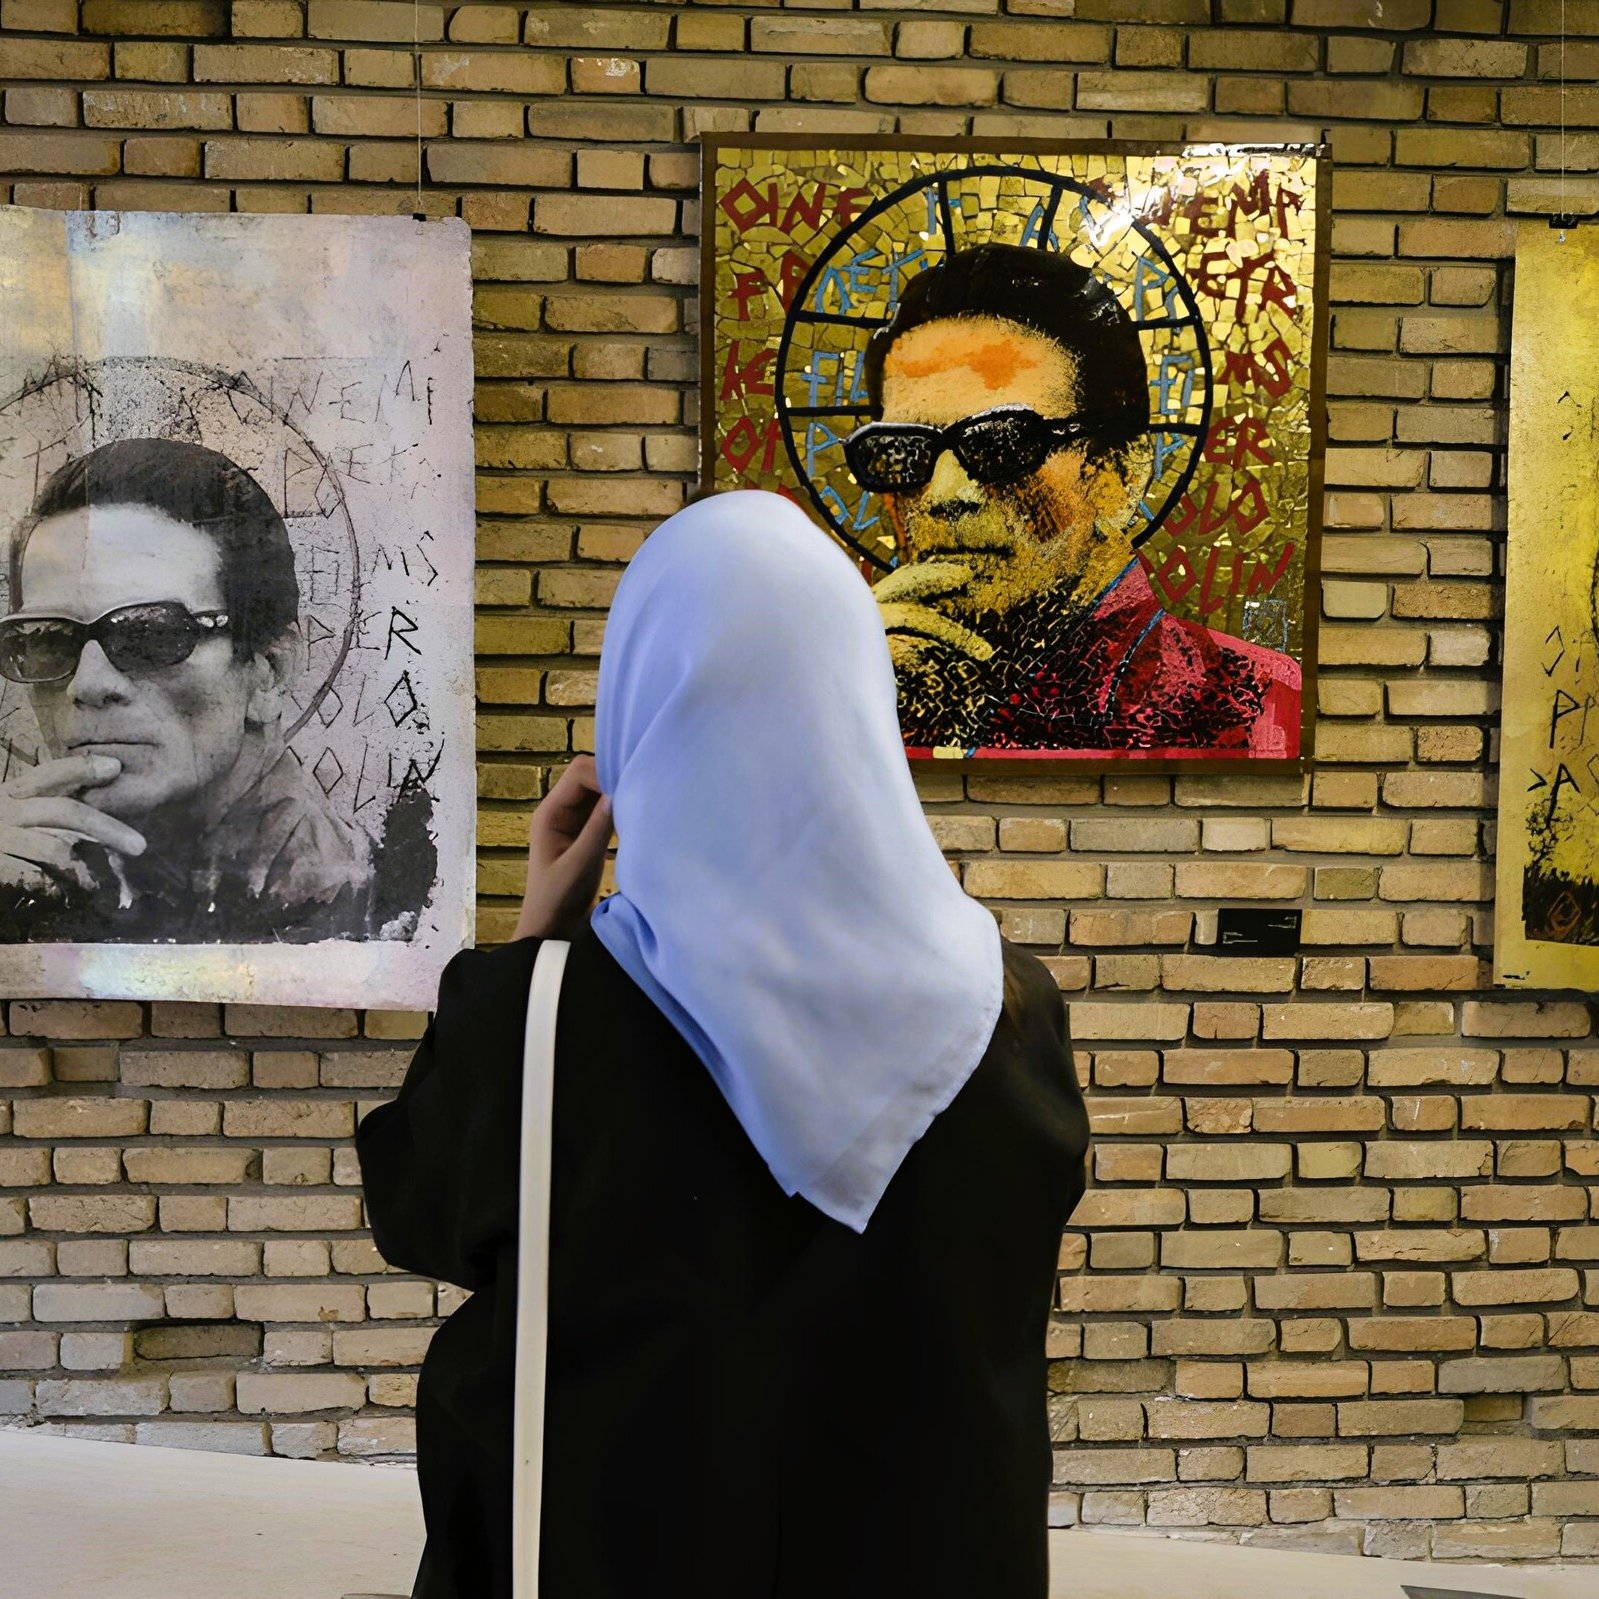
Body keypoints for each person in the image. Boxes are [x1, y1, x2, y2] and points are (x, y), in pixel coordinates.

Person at [355, 489, 1090, 1599]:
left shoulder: (540, 1016)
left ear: (641, 710)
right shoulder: (1010, 1013)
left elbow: (420, 1217)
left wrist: (528, 942)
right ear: (856, 700)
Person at [853, 241, 1300, 755]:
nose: (948, 494)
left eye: (1004, 444)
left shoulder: (1261, 706)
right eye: (905, 451)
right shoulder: (857, 690)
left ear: (1119, 473)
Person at [0, 437, 376, 943]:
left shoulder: (353, 907)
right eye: (46, 640)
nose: (87, 684)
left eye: (150, 634)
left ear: (270, 668)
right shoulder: (28, 883)